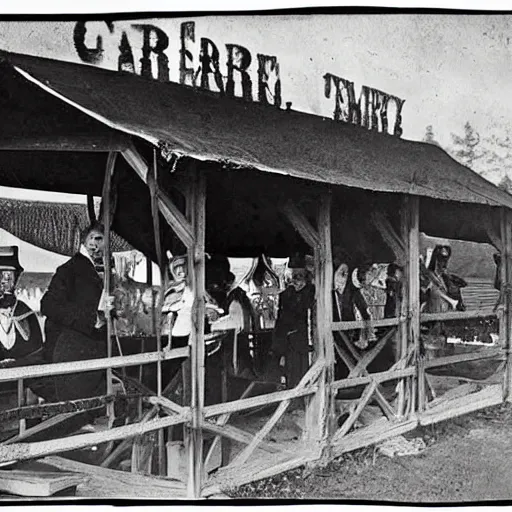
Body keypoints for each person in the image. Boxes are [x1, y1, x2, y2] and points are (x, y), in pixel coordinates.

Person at [40, 221, 113, 402]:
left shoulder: (102, 270)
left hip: (91, 349)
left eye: (103, 241)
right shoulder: (69, 269)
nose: (98, 245)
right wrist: (93, 318)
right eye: (95, 239)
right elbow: (48, 305)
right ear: (86, 241)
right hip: (69, 350)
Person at [271, 262, 315, 390]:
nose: (296, 280)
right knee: (292, 370)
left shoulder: (311, 292)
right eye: (294, 276)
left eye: (300, 276)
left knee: (304, 368)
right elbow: (281, 320)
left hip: (305, 337)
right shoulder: (285, 295)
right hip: (290, 339)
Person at [0, 246, 43, 372]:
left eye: (8, 277)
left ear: (16, 279)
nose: (3, 282)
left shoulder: (26, 313)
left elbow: (38, 355)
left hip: (21, 384)